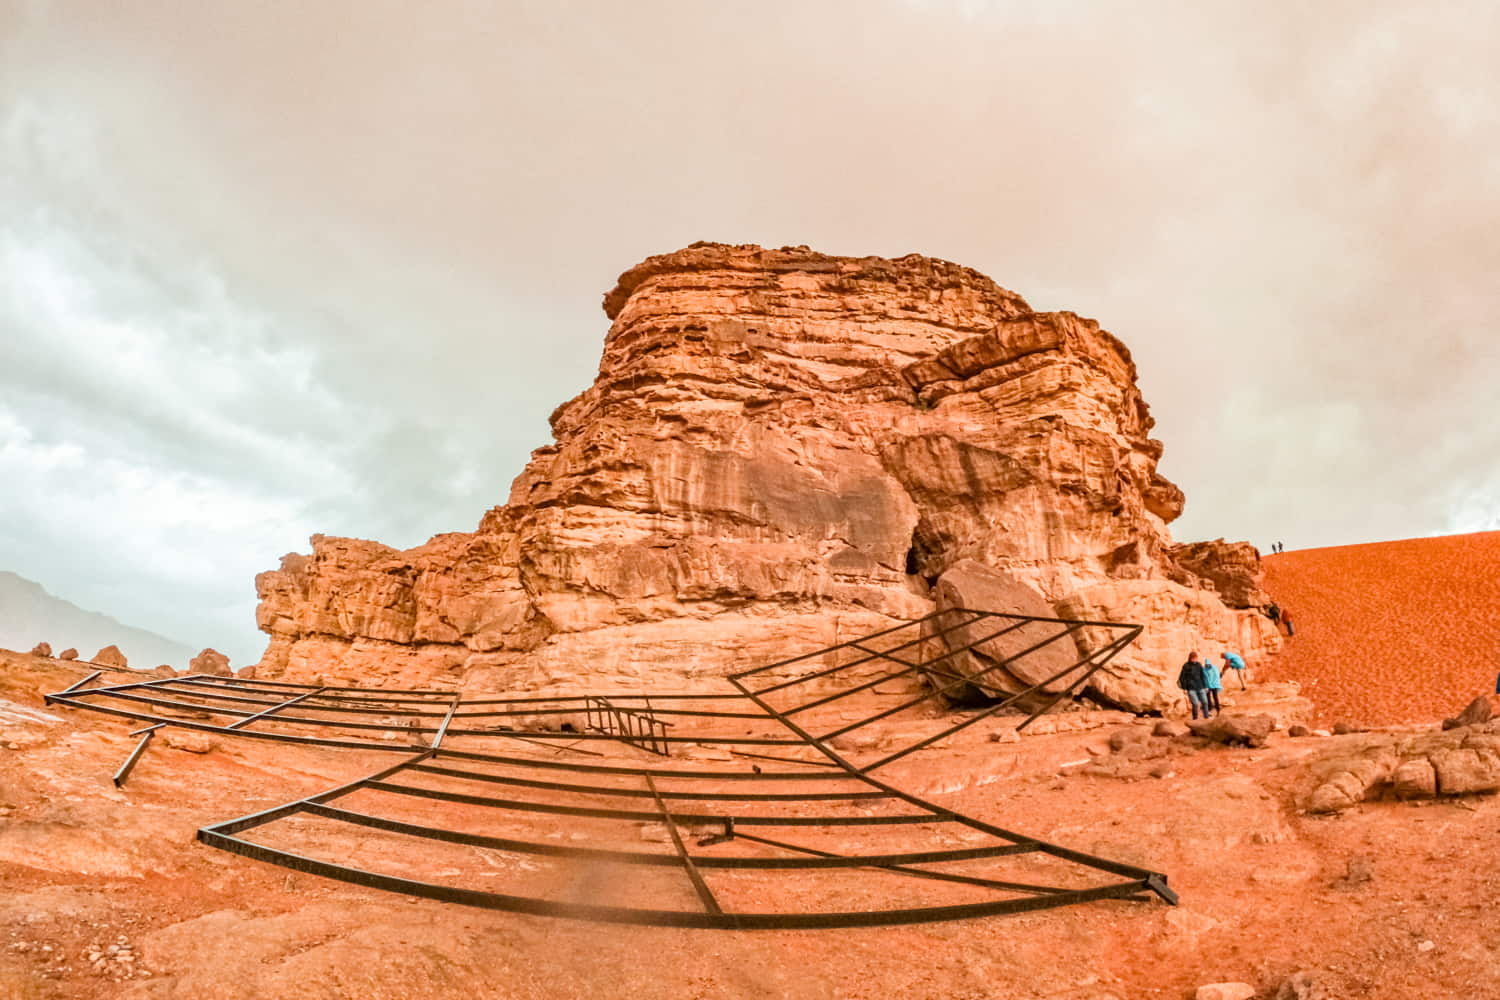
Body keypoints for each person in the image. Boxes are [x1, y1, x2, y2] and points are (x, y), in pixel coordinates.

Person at [1177, 652, 1210, 720]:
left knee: (1205, 702)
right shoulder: (1186, 666)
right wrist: (1184, 688)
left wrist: (1206, 686)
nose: (1195, 660)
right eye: (1193, 658)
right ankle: (1195, 719)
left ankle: (1206, 717)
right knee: (1195, 704)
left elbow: (1203, 676)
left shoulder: (1199, 665)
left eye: (1196, 658)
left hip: (1200, 687)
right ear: (1190, 658)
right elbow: (1182, 678)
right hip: (1191, 688)